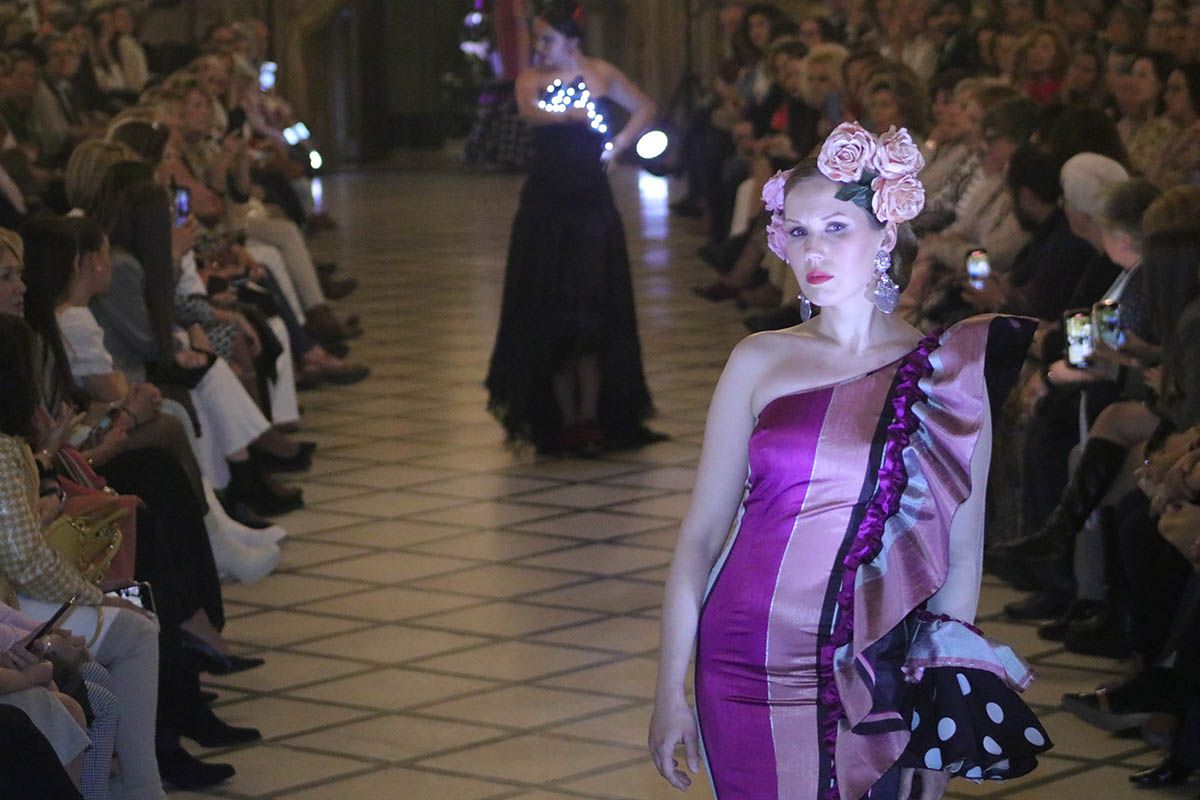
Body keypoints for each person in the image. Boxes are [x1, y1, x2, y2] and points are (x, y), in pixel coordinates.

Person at [649, 123, 1050, 799]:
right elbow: (701, 536)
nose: (814, 251)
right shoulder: (758, 358)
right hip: (743, 655)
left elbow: (960, 557)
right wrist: (668, 688)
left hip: (877, 662)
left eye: (837, 227)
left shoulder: (946, 372)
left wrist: (940, 716)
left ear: (886, 235)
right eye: (798, 232)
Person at [485, 0, 661, 454]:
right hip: (546, 207)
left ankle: (592, 419)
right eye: (537, 38)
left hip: (591, 207)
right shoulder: (531, 79)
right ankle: (560, 420)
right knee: (551, 309)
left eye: (547, 38)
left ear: (571, 40)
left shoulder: (600, 72)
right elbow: (529, 110)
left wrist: (619, 144)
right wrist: (570, 114)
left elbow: (644, 106)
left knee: (592, 308)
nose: (540, 47)